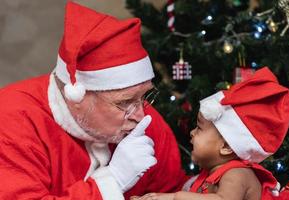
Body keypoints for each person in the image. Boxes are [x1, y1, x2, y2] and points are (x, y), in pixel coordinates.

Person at [0, 2, 187, 200]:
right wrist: (112, 182)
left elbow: (172, 189)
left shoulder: (146, 121)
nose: (141, 115)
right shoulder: (12, 120)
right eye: (124, 102)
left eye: (144, 96)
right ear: (76, 97)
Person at [132, 67, 289, 200]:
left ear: (226, 146)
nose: (192, 133)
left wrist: (175, 197)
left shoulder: (237, 173)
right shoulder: (209, 175)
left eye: (199, 128)